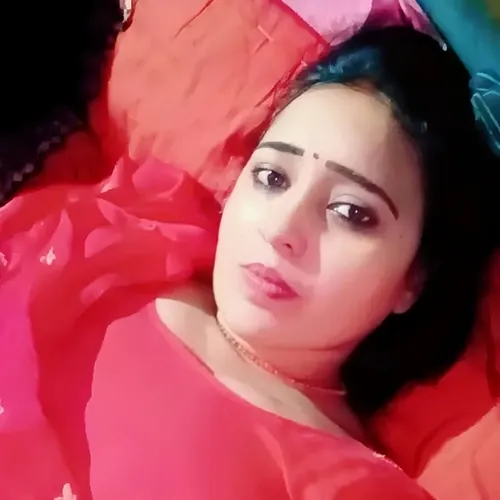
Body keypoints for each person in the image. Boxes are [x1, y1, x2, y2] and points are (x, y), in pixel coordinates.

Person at [15, 26, 498, 499]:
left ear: (413, 278)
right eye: (272, 177)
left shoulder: (350, 486)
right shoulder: (131, 232)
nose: (282, 228)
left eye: (351, 212)